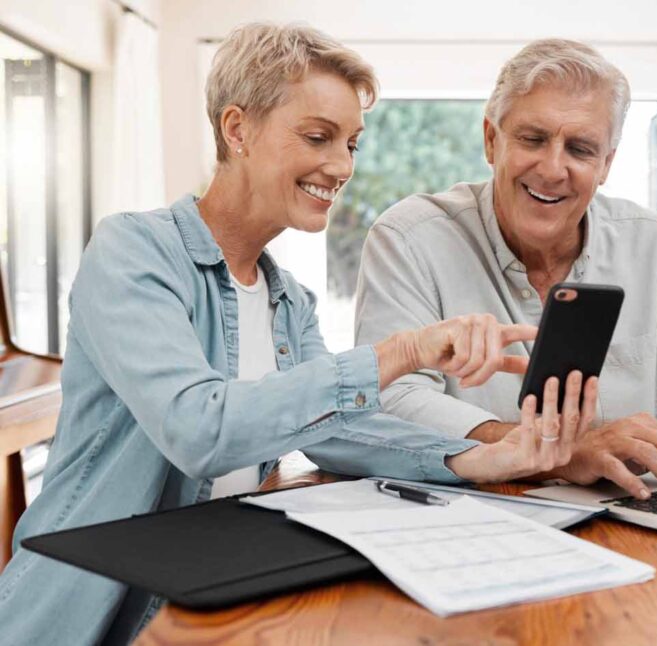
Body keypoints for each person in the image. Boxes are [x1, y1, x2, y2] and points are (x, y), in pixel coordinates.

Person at [0, 24, 598, 645]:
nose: (341, 166)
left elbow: (336, 431)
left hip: (204, 595)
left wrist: (486, 458)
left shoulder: (289, 300)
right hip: (87, 615)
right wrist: (401, 353)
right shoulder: (133, 252)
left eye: (352, 144)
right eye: (318, 137)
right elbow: (199, 429)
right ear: (238, 130)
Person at [355, 39, 657, 502]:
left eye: (580, 148)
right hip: (471, 519)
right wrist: (555, 453)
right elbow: (385, 399)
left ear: (606, 164)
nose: (553, 169)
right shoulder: (410, 239)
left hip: (635, 514)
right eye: (533, 139)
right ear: (491, 140)